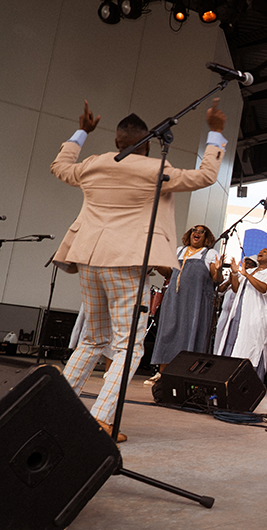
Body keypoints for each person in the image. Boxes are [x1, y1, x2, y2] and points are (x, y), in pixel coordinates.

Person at [53, 99, 226, 441]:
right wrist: (216, 132)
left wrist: (82, 133)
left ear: (117, 141)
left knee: (92, 339)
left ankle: (56, 409)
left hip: (88, 258)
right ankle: (101, 420)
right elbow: (206, 176)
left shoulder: (93, 164)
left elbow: (59, 166)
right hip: (127, 263)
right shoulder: (154, 169)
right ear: (146, 145)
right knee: (128, 346)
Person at [149, 225, 222, 379]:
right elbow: (168, 273)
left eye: (201, 232)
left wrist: (218, 269)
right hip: (174, 300)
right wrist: (157, 264)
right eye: (194, 230)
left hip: (196, 302)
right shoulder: (179, 251)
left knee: (191, 335)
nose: (197, 233)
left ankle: (186, 375)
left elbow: (216, 279)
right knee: (168, 333)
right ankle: (162, 373)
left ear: (206, 237)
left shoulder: (210, 253)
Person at [216, 249, 267, 380]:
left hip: (254, 319)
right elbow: (235, 288)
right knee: (233, 347)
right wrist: (234, 273)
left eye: (265, 252)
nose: (261, 252)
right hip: (238, 315)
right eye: (260, 251)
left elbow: (266, 289)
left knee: (251, 352)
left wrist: (247, 275)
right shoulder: (249, 271)